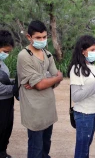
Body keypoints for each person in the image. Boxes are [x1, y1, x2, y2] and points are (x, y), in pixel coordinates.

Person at [17, 20, 63, 158]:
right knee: (35, 148)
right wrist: (53, 79)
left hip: (48, 109)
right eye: (38, 37)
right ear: (29, 37)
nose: (42, 40)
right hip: (34, 111)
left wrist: (48, 79)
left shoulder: (47, 54)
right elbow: (41, 84)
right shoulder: (24, 56)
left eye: (44, 37)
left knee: (46, 144)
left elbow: (52, 79)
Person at [67, 35, 95, 158]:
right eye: (92, 50)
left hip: (94, 112)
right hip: (84, 114)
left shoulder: (91, 66)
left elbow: (94, 87)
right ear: (82, 51)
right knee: (82, 149)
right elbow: (76, 96)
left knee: (86, 146)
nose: (94, 53)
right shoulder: (77, 69)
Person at [0, 30, 15, 158]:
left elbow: (5, 80)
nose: (6, 54)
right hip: (1, 102)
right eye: (5, 51)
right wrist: (16, 88)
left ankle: (2, 151)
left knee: (6, 128)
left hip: (7, 101)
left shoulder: (2, 63)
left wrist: (15, 81)